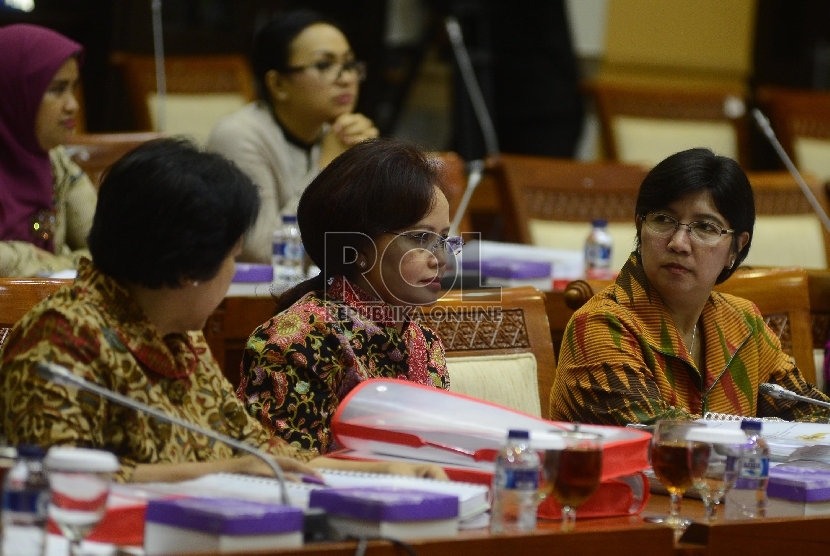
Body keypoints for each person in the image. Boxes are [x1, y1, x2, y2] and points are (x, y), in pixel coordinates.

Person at [0, 138, 445, 483]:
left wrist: (384, 473)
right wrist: (222, 472)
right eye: (232, 257)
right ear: (188, 267)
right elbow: (57, 481)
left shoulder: (177, 337)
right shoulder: (58, 341)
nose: (233, 275)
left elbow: (258, 451)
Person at [549, 148, 830, 426]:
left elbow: (811, 414)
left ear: (736, 247)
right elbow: (665, 440)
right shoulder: (600, 327)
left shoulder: (742, 324)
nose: (679, 243)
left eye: (705, 227)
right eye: (663, 220)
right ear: (640, 226)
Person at [239, 138, 456, 455]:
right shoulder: (294, 343)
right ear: (358, 249)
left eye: (444, 239)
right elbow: (288, 473)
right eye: (421, 238)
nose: (441, 258)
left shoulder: (425, 342)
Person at [207, 9, 379, 263]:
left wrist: (372, 162)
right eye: (324, 65)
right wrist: (328, 167)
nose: (347, 79)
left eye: (350, 64)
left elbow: (372, 244)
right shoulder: (239, 137)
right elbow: (264, 252)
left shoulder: (341, 135)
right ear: (278, 84)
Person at [0, 24, 97, 277]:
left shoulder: (55, 162)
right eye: (57, 89)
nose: (73, 105)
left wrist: (53, 264)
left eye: (72, 88)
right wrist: (30, 258)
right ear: (12, 93)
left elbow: (111, 248)